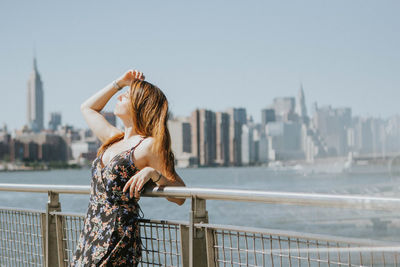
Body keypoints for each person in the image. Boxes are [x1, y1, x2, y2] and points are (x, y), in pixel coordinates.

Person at [70, 69, 186, 267]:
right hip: (90, 234)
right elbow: (87, 108)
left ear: (140, 106)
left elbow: (180, 195)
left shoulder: (147, 146)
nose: (120, 96)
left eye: (127, 95)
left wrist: (153, 174)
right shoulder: (113, 139)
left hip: (116, 239)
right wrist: (120, 82)